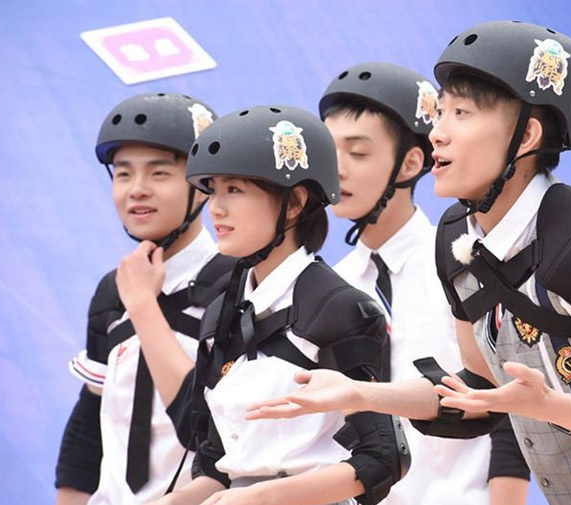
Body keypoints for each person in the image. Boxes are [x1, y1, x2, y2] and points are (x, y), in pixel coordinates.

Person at [247, 21, 571, 505]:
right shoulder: (456, 237)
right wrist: (359, 394)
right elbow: (475, 389)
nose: (438, 133)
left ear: (526, 135)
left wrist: (548, 405)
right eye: (440, 112)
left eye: (461, 113)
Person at [121, 105, 408, 505]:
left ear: (294, 202)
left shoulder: (341, 309)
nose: (216, 208)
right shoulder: (223, 313)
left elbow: (382, 459)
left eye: (234, 190)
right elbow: (216, 462)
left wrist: (263, 497)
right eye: (213, 190)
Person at [320, 62, 529, 505]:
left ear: (410, 163)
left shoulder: (463, 265)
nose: (336, 170)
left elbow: (510, 402)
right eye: (328, 150)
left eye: (357, 153)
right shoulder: (330, 286)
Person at [55, 93, 235, 505]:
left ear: (204, 186)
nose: (136, 190)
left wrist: (143, 306)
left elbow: (211, 428)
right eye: (123, 174)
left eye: (159, 173)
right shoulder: (112, 289)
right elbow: (90, 424)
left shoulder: (238, 286)